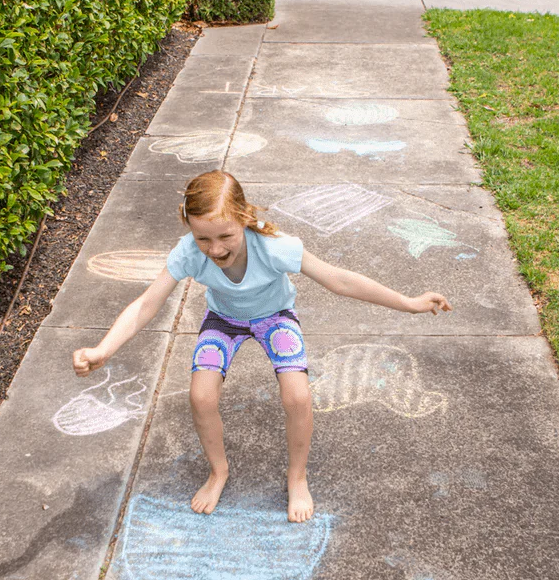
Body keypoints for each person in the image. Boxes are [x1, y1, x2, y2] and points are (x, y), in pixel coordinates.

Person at [73, 171, 451, 523]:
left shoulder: (274, 247)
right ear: (189, 227)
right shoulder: (188, 252)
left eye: (225, 236)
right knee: (201, 396)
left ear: (244, 217)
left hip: (275, 317)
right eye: (203, 238)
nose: (215, 249)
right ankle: (218, 471)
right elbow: (146, 304)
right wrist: (103, 350)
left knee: (298, 397)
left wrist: (409, 303)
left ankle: (297, 477)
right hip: (224, 320)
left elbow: (340, 281)